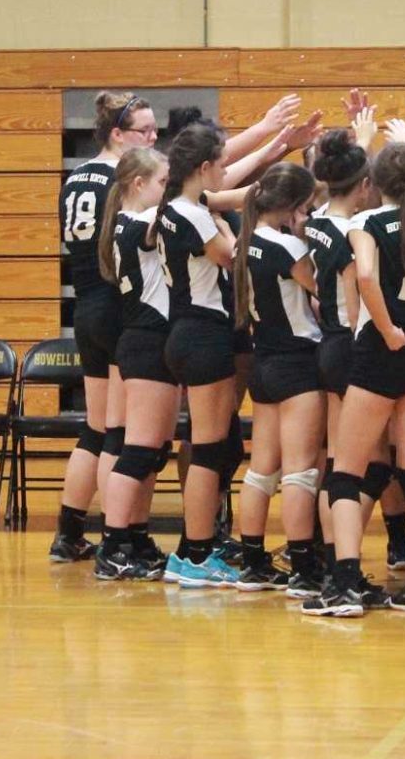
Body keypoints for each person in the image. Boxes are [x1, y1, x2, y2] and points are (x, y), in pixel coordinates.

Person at [301, 143, 405, 618]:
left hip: (383, 348)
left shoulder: (364, 224)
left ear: (374, 184)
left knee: (347, 470)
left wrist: (384, 328)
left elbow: (364, 276)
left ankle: (343, 584)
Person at [49, 92, 158, 563]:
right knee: (119, 431)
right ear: (117, 133)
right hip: (117, 306)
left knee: (95, 430)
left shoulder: (75, 177)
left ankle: (68, 531)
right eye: (145, 132)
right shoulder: (123, 176)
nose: (154, 140)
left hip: (86, 307)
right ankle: (123, 536)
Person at [152, 124, 245, 587]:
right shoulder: (196, 215)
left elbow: (231, 195)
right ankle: (196, 555)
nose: (226, 170)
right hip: (202, 334)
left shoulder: (177, 207)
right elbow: (233, 256)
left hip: (188, 333)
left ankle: (192, 548)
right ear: (203, 168)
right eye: (221, 163)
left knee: (217, 444)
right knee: (208, 449)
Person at [233, 162, 325, 593]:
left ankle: (252, 560)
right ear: (293, 206)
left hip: (263, 361)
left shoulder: (244, 240)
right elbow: (322, 290)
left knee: (260, 471)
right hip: (295, 362)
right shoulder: (288, 248)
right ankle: (305, 568)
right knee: (300, 472)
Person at [92, 147, 174, 580]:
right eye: (162, 182)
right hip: (147, 341)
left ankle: (135, 537)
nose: (168, 191)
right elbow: (197, 201)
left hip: (150, 341)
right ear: (138, 184)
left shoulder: (127, 221)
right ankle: (113, 544)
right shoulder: (141, 222)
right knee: (138, 449)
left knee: (152, 451)